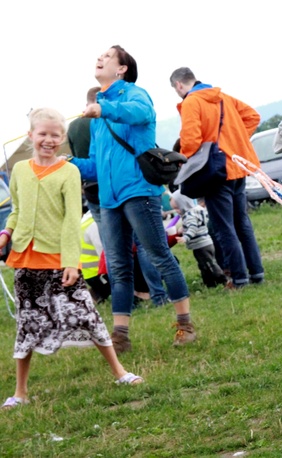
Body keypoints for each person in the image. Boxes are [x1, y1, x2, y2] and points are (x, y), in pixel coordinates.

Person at [1, 108, 143, 409]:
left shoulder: (69, 172)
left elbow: (70, 220)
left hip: (60, 261)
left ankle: (120, 372)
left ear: (62, 138)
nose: (48, 140)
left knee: (87, 316)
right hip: (25, 259)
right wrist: (6, 234)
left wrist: (71, 262)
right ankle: (20, 393)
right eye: (42, 134)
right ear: (31, 136)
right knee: (27, 324)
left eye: (55, 135)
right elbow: (16, 210)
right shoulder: (21, 171)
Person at [70, 45, 196, 354]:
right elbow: (97, 166)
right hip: (109, 199)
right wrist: (68, 164)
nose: (99, 58)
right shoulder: (98, 116)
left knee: (159, 256)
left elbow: (140, 114)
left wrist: (104, 109)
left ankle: (186, 325)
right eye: (98, 56)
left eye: (107, 56)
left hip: (140, 191)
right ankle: (121, 337)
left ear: (122, 68)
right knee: (117, 267)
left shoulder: (134, 95)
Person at [169, 67, 264, 289]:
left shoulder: (192, 101)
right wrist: (234, 142)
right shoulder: (221, 96)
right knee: (242, 222)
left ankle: (239, 278)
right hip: (238, 166)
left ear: (179, 85)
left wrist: (190, 158)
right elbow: (253, 117)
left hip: (215, 172)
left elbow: (191, 140)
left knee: (224, 226)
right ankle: (257, 273)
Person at [170, 190, 227, 287]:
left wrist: (185, 237)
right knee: (204, 263)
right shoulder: (198, 210)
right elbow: (198, 223)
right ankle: (209, 282)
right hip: (207, 242)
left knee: (209, 264)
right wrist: (184, 228)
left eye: (177, 208)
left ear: (184, 203)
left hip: (200, 245)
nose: (177, 211)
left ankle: (222, 279)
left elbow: (193, 228)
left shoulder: (189, 215)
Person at [67, 86, 101, 219]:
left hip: (90, 187)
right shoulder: (108, 120)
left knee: (106, 236)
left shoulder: (74, 126)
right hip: (114, 183)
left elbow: (74, 156)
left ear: (87, 104)